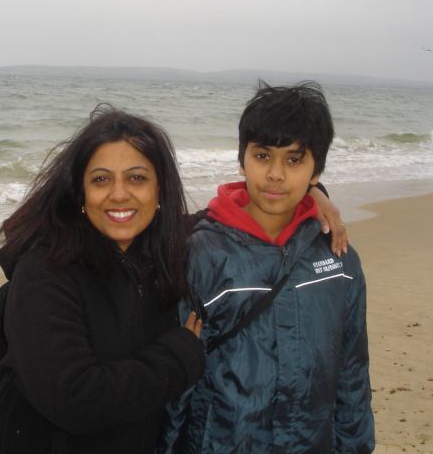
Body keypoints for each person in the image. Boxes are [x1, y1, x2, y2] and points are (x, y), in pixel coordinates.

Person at [0, 105, 206, 454]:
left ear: (160, 190)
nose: (119, 194)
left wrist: (291, 197)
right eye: (101, 179)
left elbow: (220, 216)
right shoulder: (45, 272)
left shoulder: (156, 252)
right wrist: (179, 357)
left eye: (137, 178)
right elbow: (75, 400)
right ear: (80, 193)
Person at [160, 82, 374, 453]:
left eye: (294, 160)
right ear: (242, 159)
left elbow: (352, 371)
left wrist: (356, 447)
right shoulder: (200, 254)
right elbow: (177, 379)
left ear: (316, 172)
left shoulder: (338, 261)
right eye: (262, 156)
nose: (275, 174)